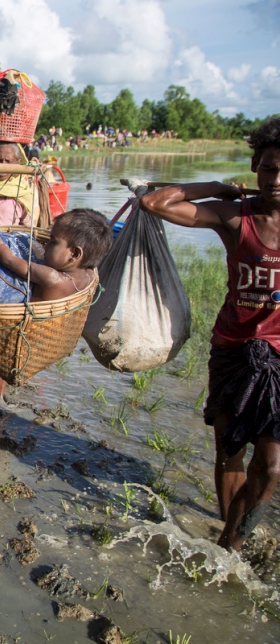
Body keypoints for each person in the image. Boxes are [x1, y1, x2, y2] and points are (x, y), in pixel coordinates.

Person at [140, 117, 280, 552]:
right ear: (256, 166)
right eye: (269, 168)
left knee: (272, 466)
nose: (276, 180)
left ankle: (228, 546)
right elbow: (154, 202)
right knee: (230, 450)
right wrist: (215, 187)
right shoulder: (236, 217)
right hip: (234, 350)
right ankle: (228, 529)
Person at [0, 208, 111, 301]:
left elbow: (8, 260)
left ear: (75, 253)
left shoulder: (51, 276)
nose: (45, 246)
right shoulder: (90, 275)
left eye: (52, 242)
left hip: (26, 328)